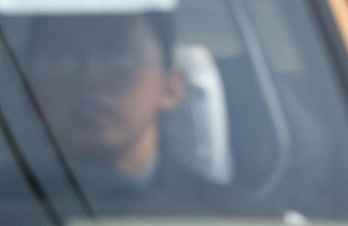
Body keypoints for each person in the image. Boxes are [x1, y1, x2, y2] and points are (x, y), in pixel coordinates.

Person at [21, 11, 238, 214]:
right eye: (63, 57)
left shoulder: (231, 218)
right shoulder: (11, 208)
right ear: (32, 95)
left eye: (117, 55)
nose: (89, 75)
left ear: (171, 88)